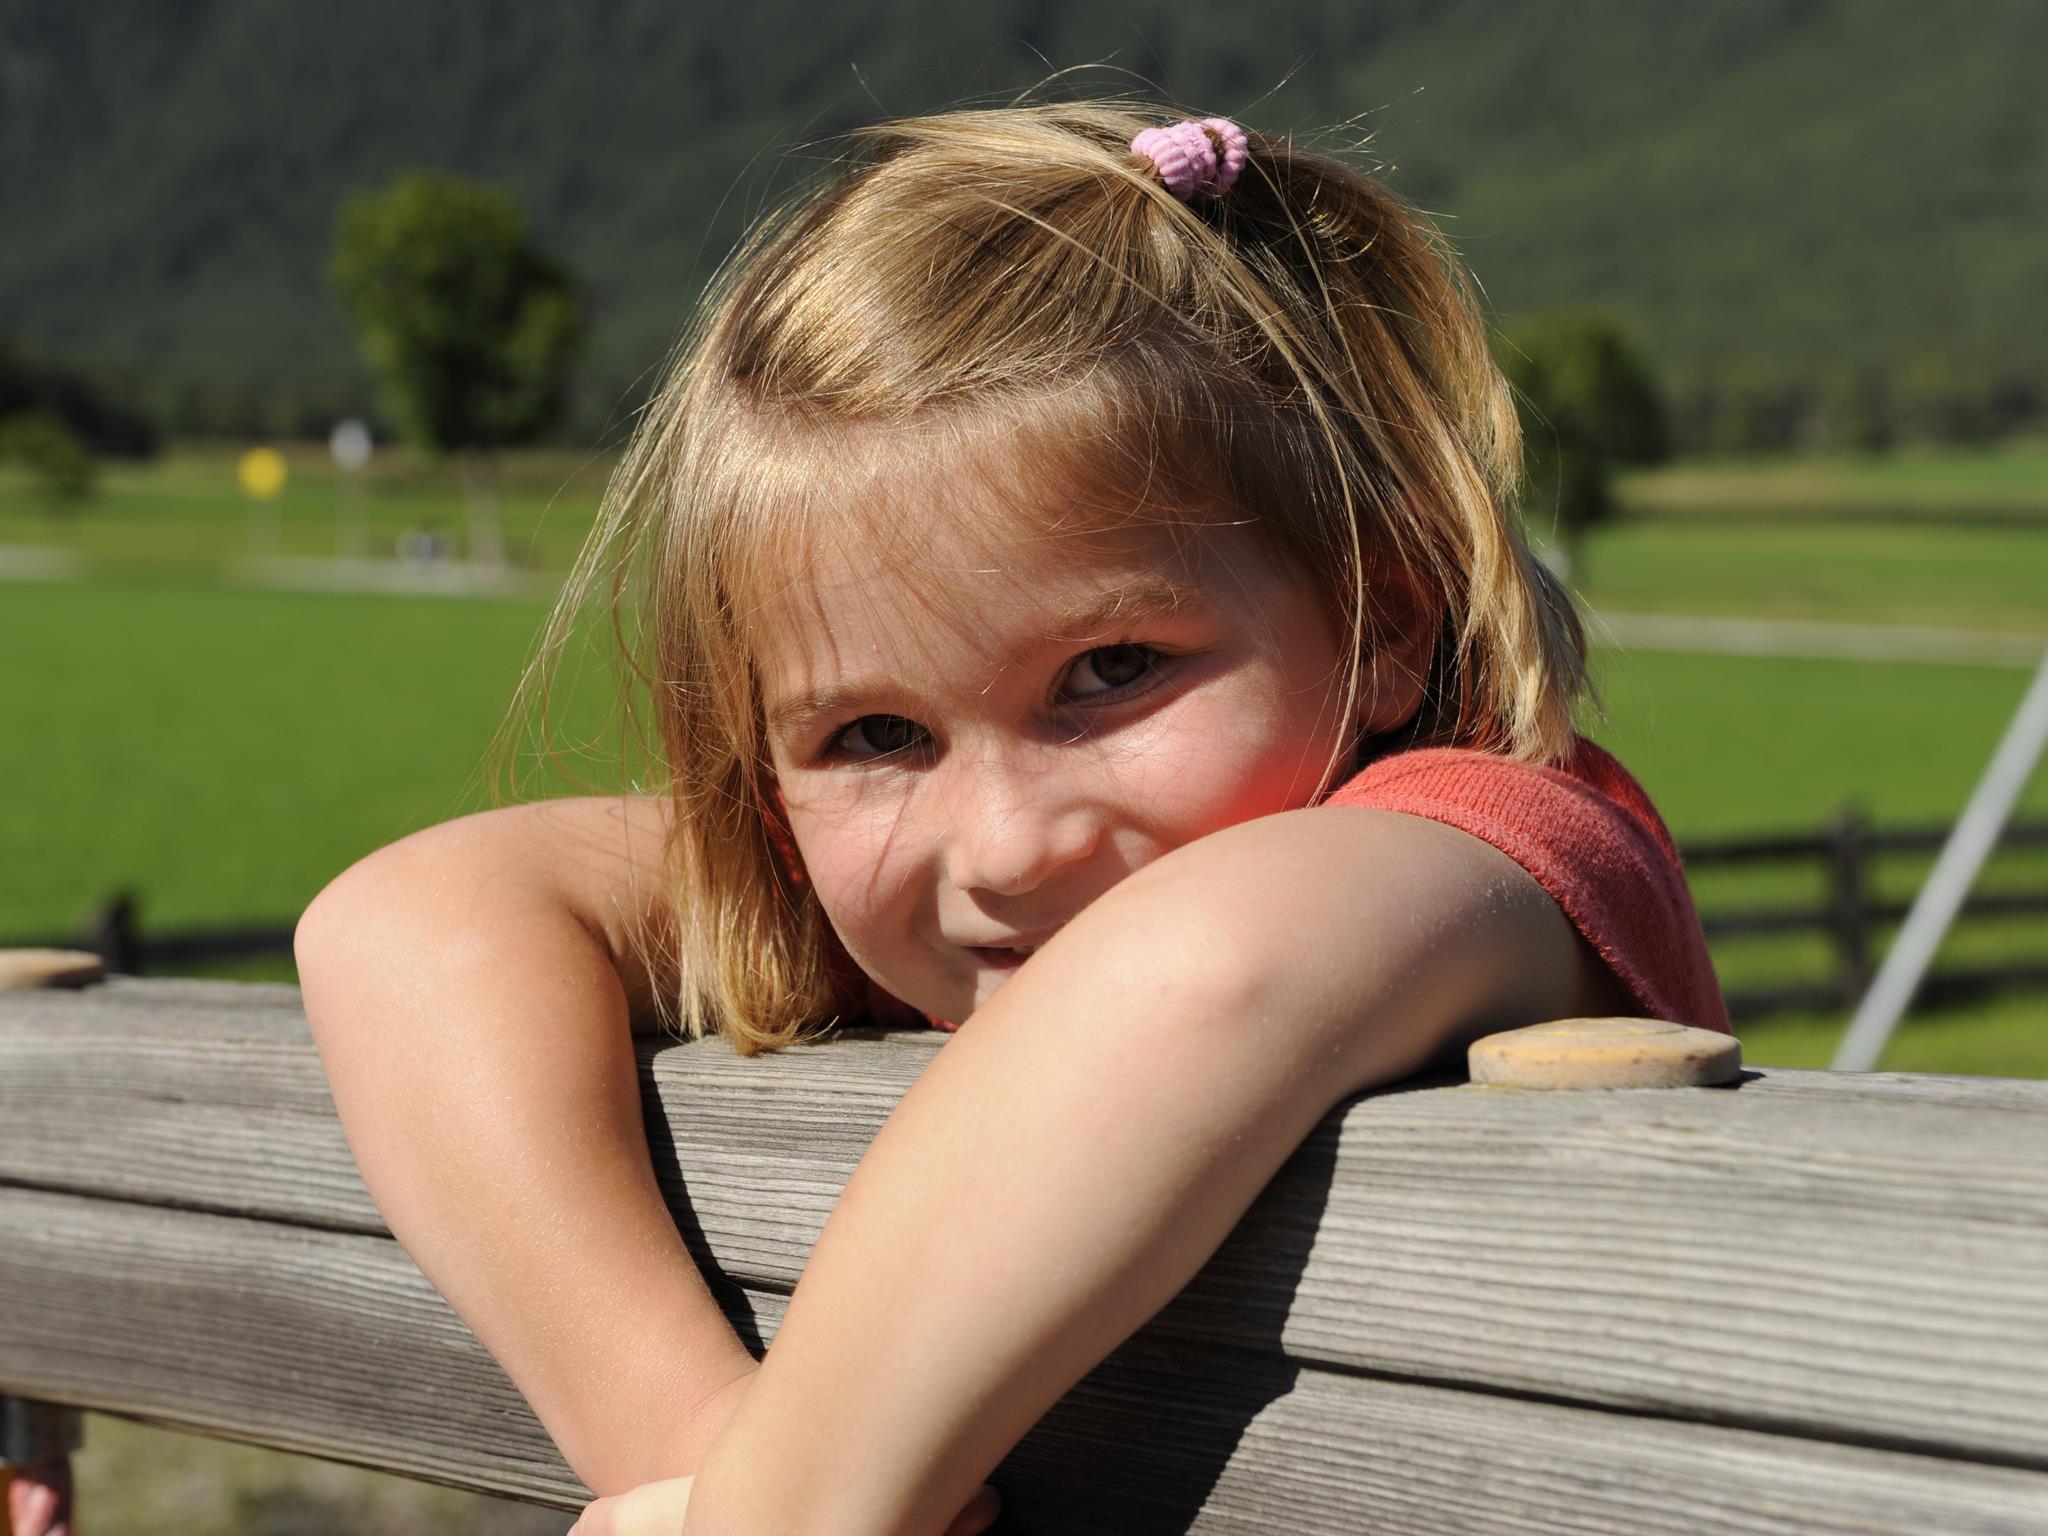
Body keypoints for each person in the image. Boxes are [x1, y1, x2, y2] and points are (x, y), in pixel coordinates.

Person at [287, 101, 1727, 1536]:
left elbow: (1199, 968)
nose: (1002, 845)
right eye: (876, 735)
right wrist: (698, 1453)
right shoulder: (998, 901)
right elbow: (399, 928)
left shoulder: (1489, 845)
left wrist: (779, 1511)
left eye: (1112, 672)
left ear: (1384, 617)